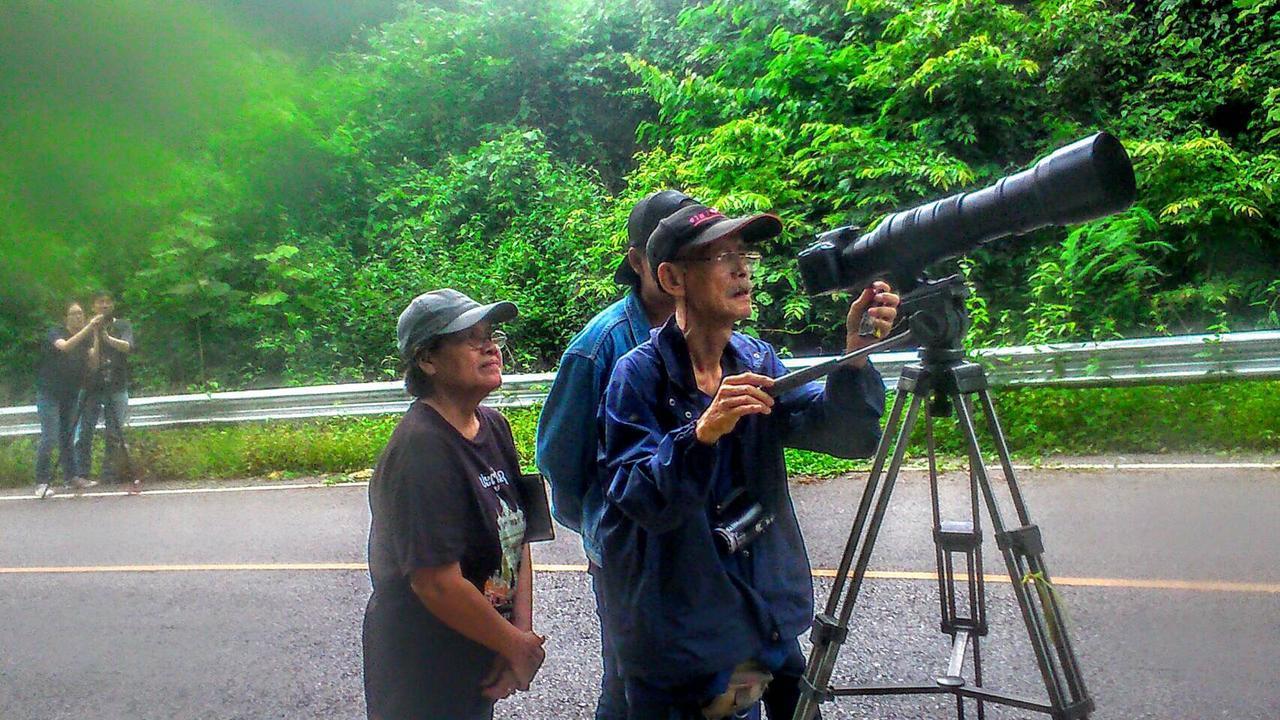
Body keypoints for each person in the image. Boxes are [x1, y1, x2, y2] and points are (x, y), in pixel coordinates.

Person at [596, 203, 899, 719]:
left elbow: (846, 436)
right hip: (691, 638)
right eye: (720, 256)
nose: (742, 269)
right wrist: (702, 434)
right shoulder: (637, 375)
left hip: (763, 617)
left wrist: (857, 354)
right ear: (672, 277)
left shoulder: (755, 360)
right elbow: (643, 499)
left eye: (744, 253)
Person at [534, 189, 696, 720]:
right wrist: (611, 530)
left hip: (699, 541)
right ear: (638, 261)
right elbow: (559, 456)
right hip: (630, 553)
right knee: (629, 681)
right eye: (669, 252)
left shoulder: (710, 325)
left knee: (704, 674)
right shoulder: (601, 345)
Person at [363, 288, 546, 720]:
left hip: (480, 648)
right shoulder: (421, 448)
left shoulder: (495, 427)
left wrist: (515, 638)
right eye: (469, 337)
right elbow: (435, 583)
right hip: (425, 670)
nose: (489, 346)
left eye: (491, 335)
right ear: (428, 360)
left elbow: (516, 539)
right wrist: (514, 645)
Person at [34, 300, 98, 498]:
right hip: (49, 392)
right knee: (50, 436)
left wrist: (96, 335)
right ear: (66, 317)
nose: (78, 317)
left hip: (70, 393)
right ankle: (41, 482)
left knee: (68, 435)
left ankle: (71, 477)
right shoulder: (56, 332)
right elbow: (65, 347)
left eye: (81, 313)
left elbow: (94, 363)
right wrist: (89, 328)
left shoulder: (86, 337)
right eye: (74, 313)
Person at [73, 290, 135, 488]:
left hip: (117, 384)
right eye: (101, 302)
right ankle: (82, 473)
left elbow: (127, 346)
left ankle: (108, 476)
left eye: (108, 302)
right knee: (85, 432)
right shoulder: (87, 327)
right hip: (91, 386)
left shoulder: (123, 324)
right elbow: (90, 358)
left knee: (114, 432)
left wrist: (107, 336)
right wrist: (96, 333)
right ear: (93, 306)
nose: (105, 306)